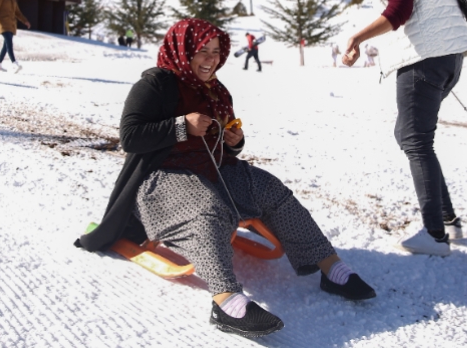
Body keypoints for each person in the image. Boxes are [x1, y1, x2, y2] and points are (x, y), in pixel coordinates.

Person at [75, 19, 375, 337]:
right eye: (202, 51)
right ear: (183, 50)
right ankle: (224, 299)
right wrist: (181, 125)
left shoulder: (216, 90)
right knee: (207, 207)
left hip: (211, 170)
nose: (211, 59)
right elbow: (131, 137)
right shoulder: (156, 84)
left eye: (216, 52)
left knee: (271, 188)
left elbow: (221, 144)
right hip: (161, 179)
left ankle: (329, 266)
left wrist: (235, 141)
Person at [343, 0, 467, 256]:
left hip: (425, 59)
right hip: (446, 58)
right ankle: (448, 220)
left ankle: (435, 235)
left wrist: (357, 37)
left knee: (415, 139)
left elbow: (399, 10)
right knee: (412, 136)